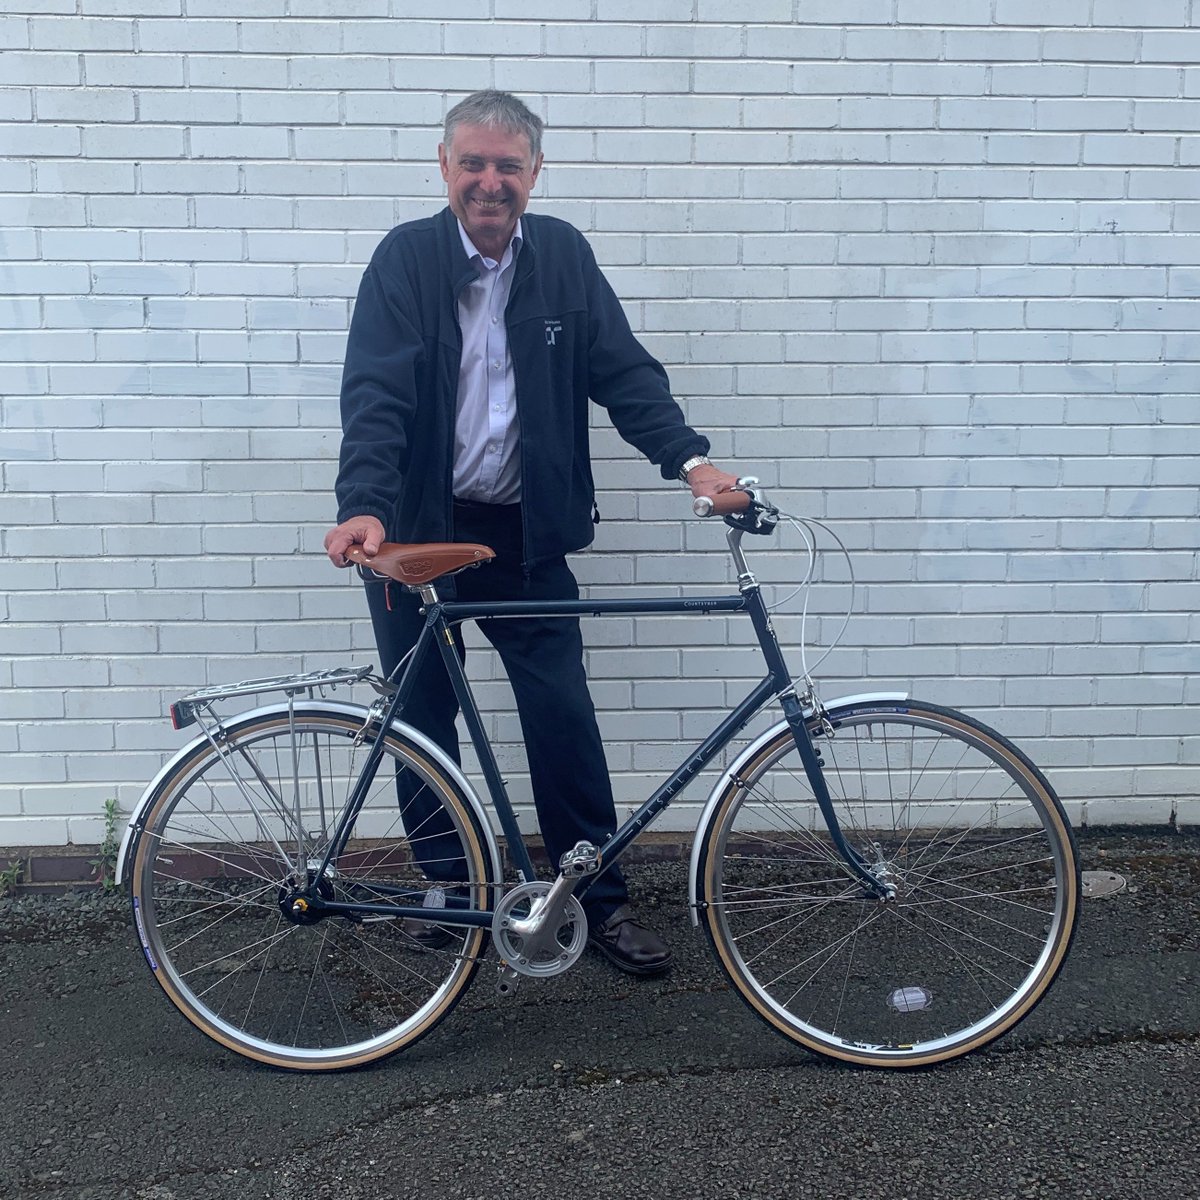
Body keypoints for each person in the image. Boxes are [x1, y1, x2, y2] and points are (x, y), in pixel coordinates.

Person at [324, 89, 739, 976]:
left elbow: (624, 373)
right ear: (444, 168)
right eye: (472, 162)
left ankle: (591, 900)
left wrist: (692, 463)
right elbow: (377, 393)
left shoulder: (563, 260)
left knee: (561, 716)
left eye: (507, 165)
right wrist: (363, 500)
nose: (489, 181)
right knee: (424, 717)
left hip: (524, 532)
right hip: (415, 530)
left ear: (533, 173)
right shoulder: (404, 261)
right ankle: (446, 895)